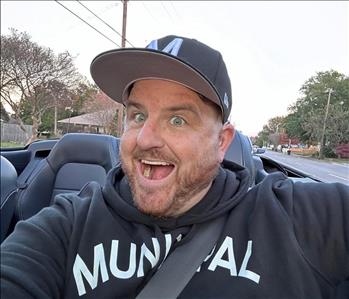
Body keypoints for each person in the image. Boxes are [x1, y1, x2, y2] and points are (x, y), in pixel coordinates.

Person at [1, 35, 348, 299]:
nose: (145, 138)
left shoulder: (296, 218)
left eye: (178, 120)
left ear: (222, 141)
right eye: (137, 115)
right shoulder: (68, 225)